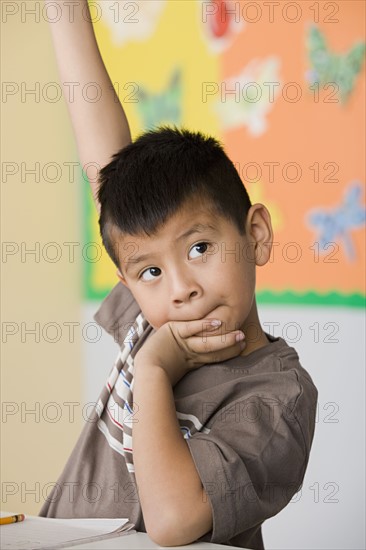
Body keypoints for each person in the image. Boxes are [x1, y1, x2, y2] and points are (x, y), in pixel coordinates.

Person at [39, 2, 318, 548]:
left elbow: (173, 523)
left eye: (199, 247)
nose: (180, 288)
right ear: (128, 283)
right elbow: (109, 178)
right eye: (148, 271)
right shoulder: (153, 318)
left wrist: (153, 371)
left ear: (255, 235)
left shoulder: (275, 397)